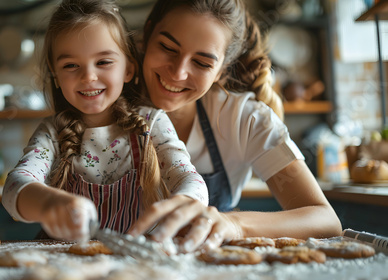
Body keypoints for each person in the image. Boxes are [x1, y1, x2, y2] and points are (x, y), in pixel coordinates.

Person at [128, 0, 342, 253]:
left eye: (202, 63)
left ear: (221, 70)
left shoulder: (244, 120)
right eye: (167, 47)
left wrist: (234, 224)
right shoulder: (102, 105)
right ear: (148, 33)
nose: (178, 72)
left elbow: (325, 220)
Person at [1, 0, 208, 242]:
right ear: (55, 75)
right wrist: (49, 204)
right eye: (70, 65)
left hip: (137, 260)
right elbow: (14, 186)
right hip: (70, 263)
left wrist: (184, 202)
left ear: (129, 69)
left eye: (103, 62)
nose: (88, 76)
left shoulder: (152, 123)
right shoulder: (52, 132)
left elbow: (189, 179)